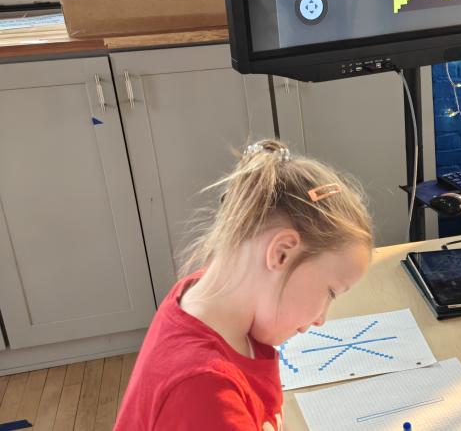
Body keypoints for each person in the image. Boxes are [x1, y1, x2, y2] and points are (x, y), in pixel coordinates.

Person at [115, 139, 373, 430]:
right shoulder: (206, 393)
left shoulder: (214, 301)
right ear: (281, 253)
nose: (321, 319)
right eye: (330, 292)